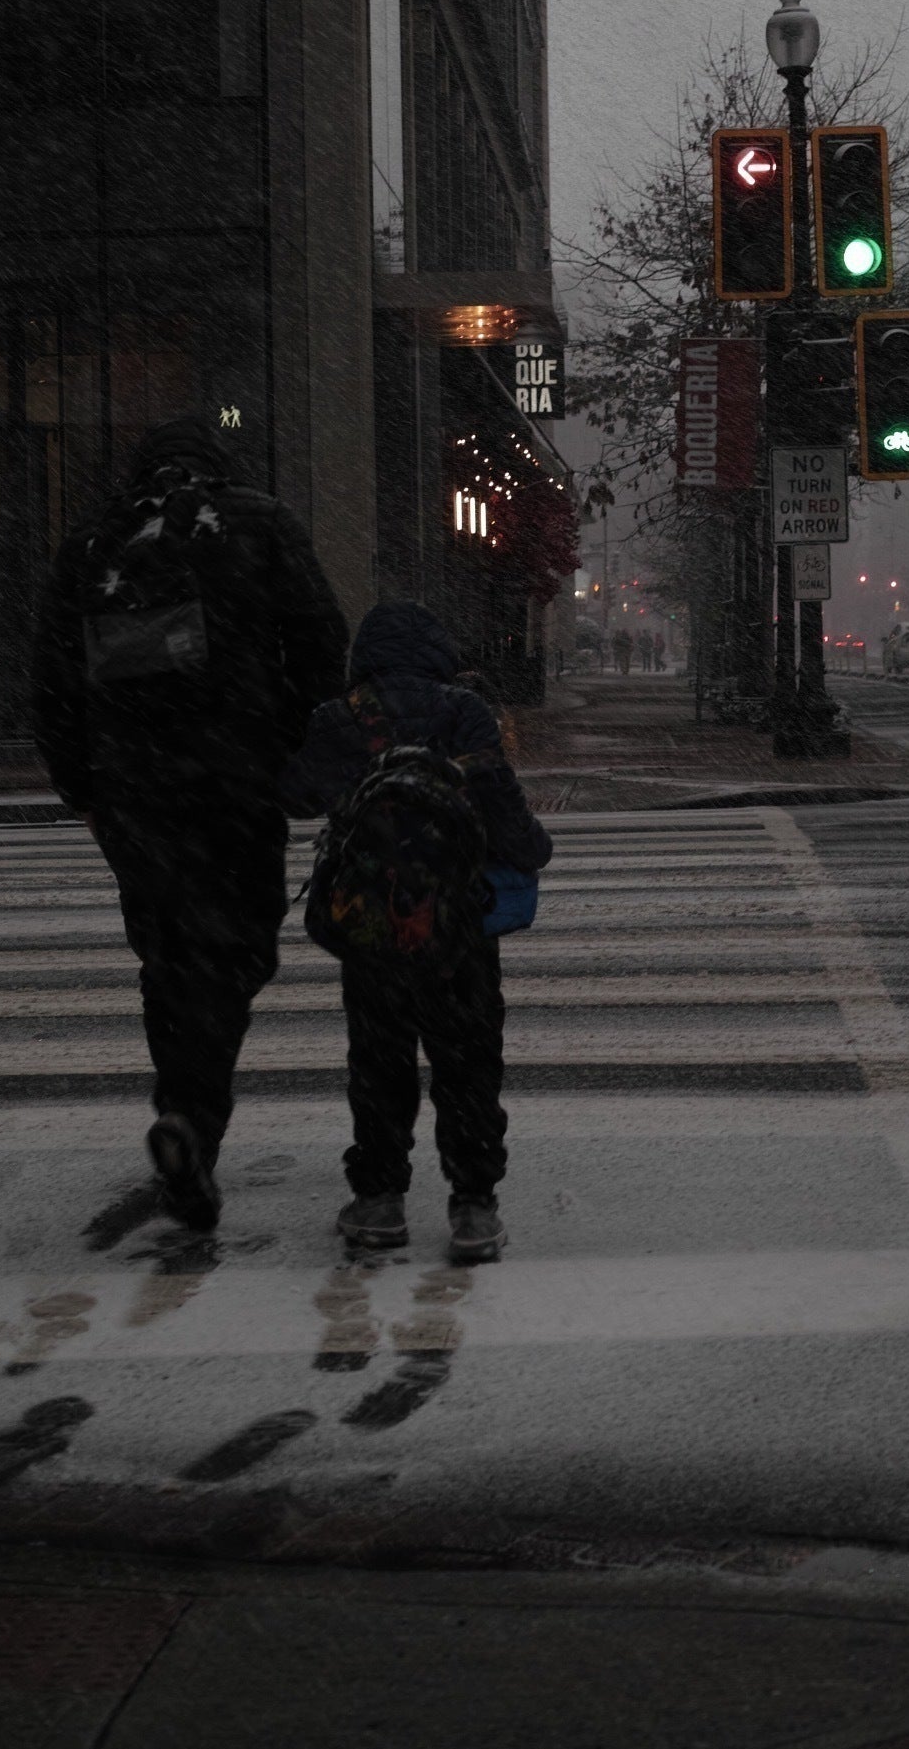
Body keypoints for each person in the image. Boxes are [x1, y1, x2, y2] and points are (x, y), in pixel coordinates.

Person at [33, 417, 350, 1233]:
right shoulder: (260, 521)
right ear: (217, 467)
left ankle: (183, 1109)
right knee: (236, 950)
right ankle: (193, 1121)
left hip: (132, 789)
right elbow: (320, 639)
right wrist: (305, 749)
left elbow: (51, 677)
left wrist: (82, 787)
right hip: (238, 776)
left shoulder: (93, 541)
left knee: (168, 953)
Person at [281, 602, 553, 1260]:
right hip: (456, 920)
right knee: (468, 1061)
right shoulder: (464, 711)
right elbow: (506, 814)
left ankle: (379, 1199)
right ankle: (474, 1207)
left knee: (379, 1061)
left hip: (371, 925)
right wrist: (532, 849)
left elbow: (295, 796)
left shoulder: (341, 716)